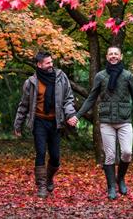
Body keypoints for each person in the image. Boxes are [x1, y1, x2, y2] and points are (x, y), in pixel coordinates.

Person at [76, 46, 133, 200]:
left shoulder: (128, 76)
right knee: (109, 156)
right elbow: (91, 98)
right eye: (111, 54)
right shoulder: (100, 76)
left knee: (127, 153)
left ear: (121, 56)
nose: (113, 56)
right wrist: (78, 115)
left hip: (124, 121)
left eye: (116, 54)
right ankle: (111, 188)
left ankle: (120, 178)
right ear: (107, 57)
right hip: (106, 121)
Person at [14, 51, 78, 198]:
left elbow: (68, 99)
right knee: (41, 153)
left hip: (56, 122)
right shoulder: (31, 82)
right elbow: (23, 105)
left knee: (55, 157)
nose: (51, 65)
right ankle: (41, 186)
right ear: (39, 65)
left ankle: (49, 178)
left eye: (51, 62)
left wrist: (70, 114)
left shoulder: (61, 77)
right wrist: (18, 125)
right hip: (39, 122)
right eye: (48, 63)